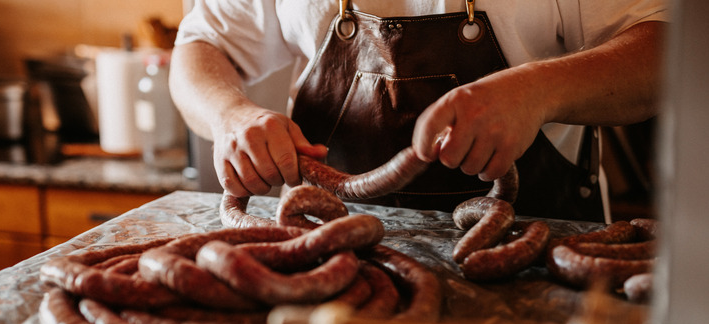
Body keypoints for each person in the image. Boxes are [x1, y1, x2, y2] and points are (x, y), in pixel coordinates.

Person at [169, 1, 667, 222]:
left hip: (537, 248)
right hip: (331, 258)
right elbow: (201, 44)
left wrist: (537, 90)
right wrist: (230, 114)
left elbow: (667, 50)